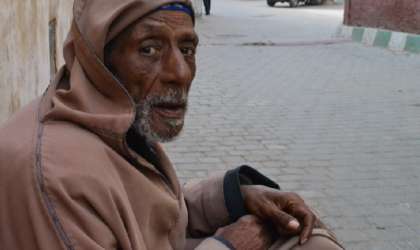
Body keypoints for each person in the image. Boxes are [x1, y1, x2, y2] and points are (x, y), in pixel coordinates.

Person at [0, 0, 344, 249]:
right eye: (149, 49)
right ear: (100, 60)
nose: (180, 73)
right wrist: (227, 247)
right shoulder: (52, 173)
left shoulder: (113, 118)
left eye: (187, 48)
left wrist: (236, 197)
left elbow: (149, 212)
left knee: (301, 234)